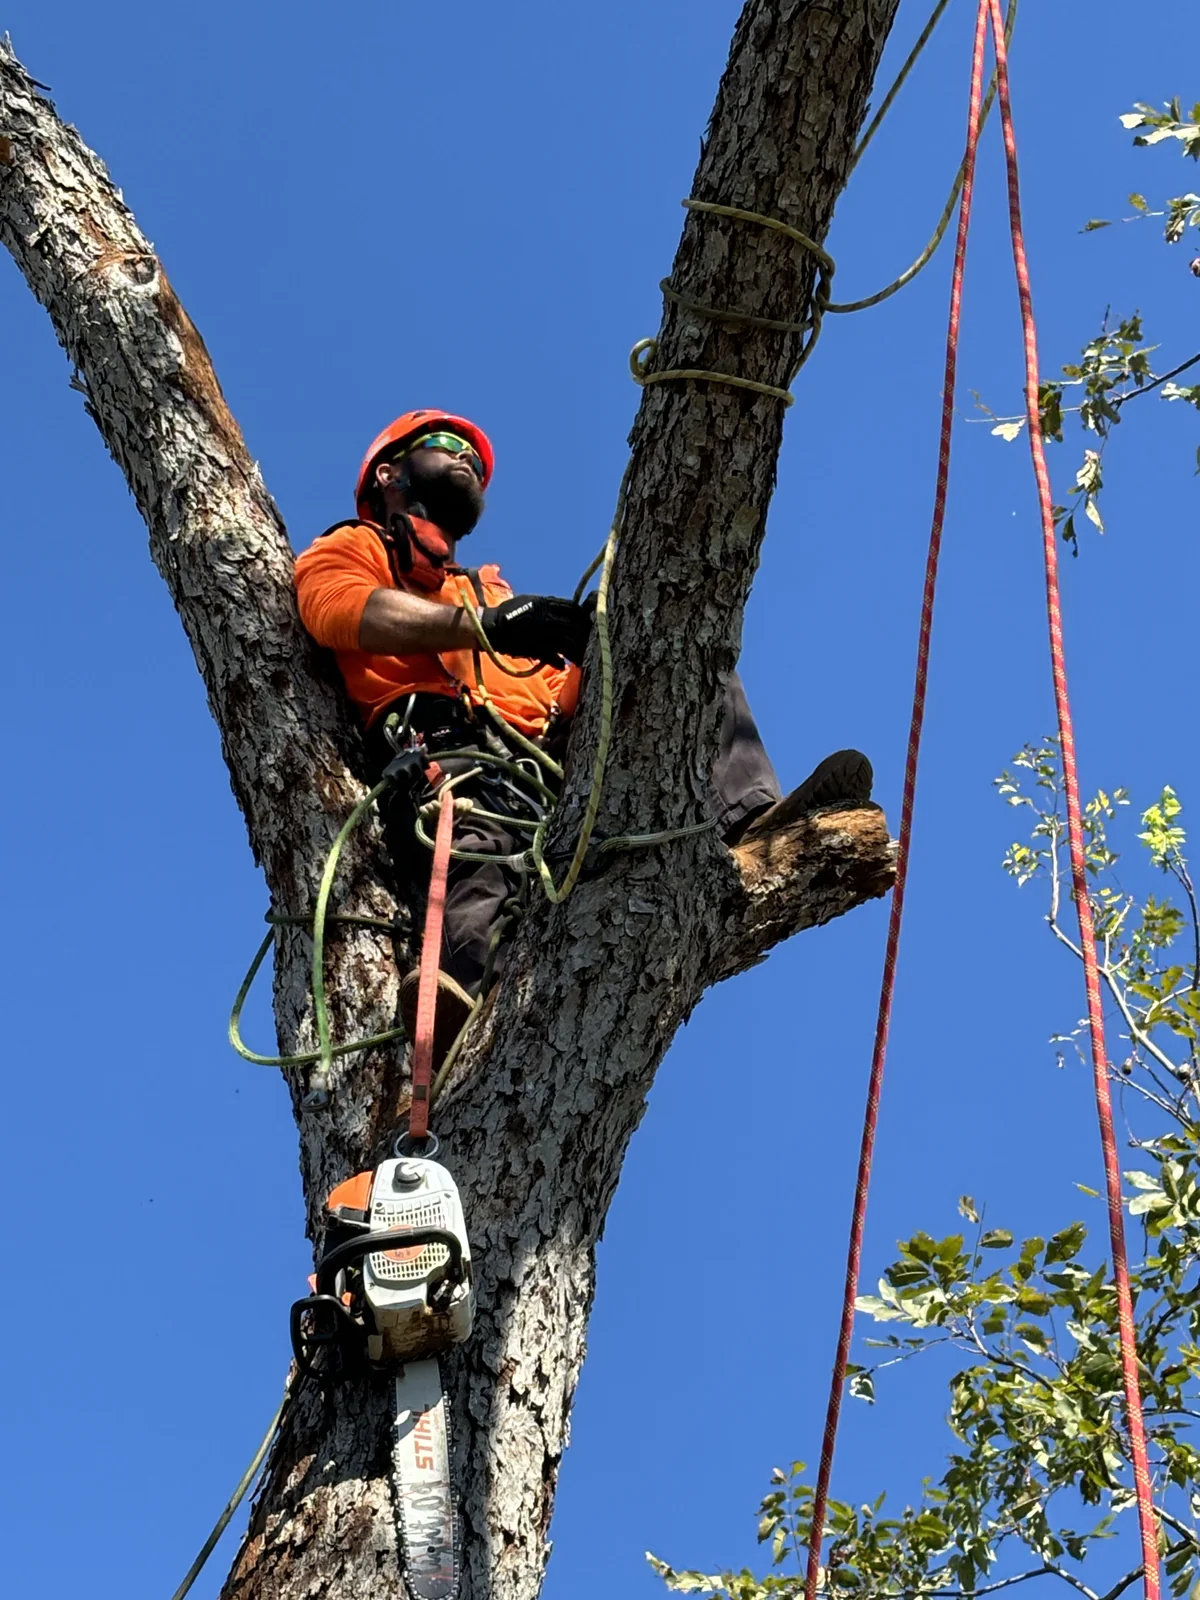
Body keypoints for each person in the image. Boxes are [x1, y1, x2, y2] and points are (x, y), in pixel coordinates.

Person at [295, 410, 872, 1058]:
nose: (466, 459)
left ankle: (751, 822)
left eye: (474, 456)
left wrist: (612, 649)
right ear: (387, 472)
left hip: (548, 768)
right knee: (486, 849)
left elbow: (550, 693)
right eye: (444, 446)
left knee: (672, 653)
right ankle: (457, 1011)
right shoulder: (360, 547)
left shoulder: (480, 588)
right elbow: (335, 608)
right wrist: (490, 626)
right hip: (454, 757)